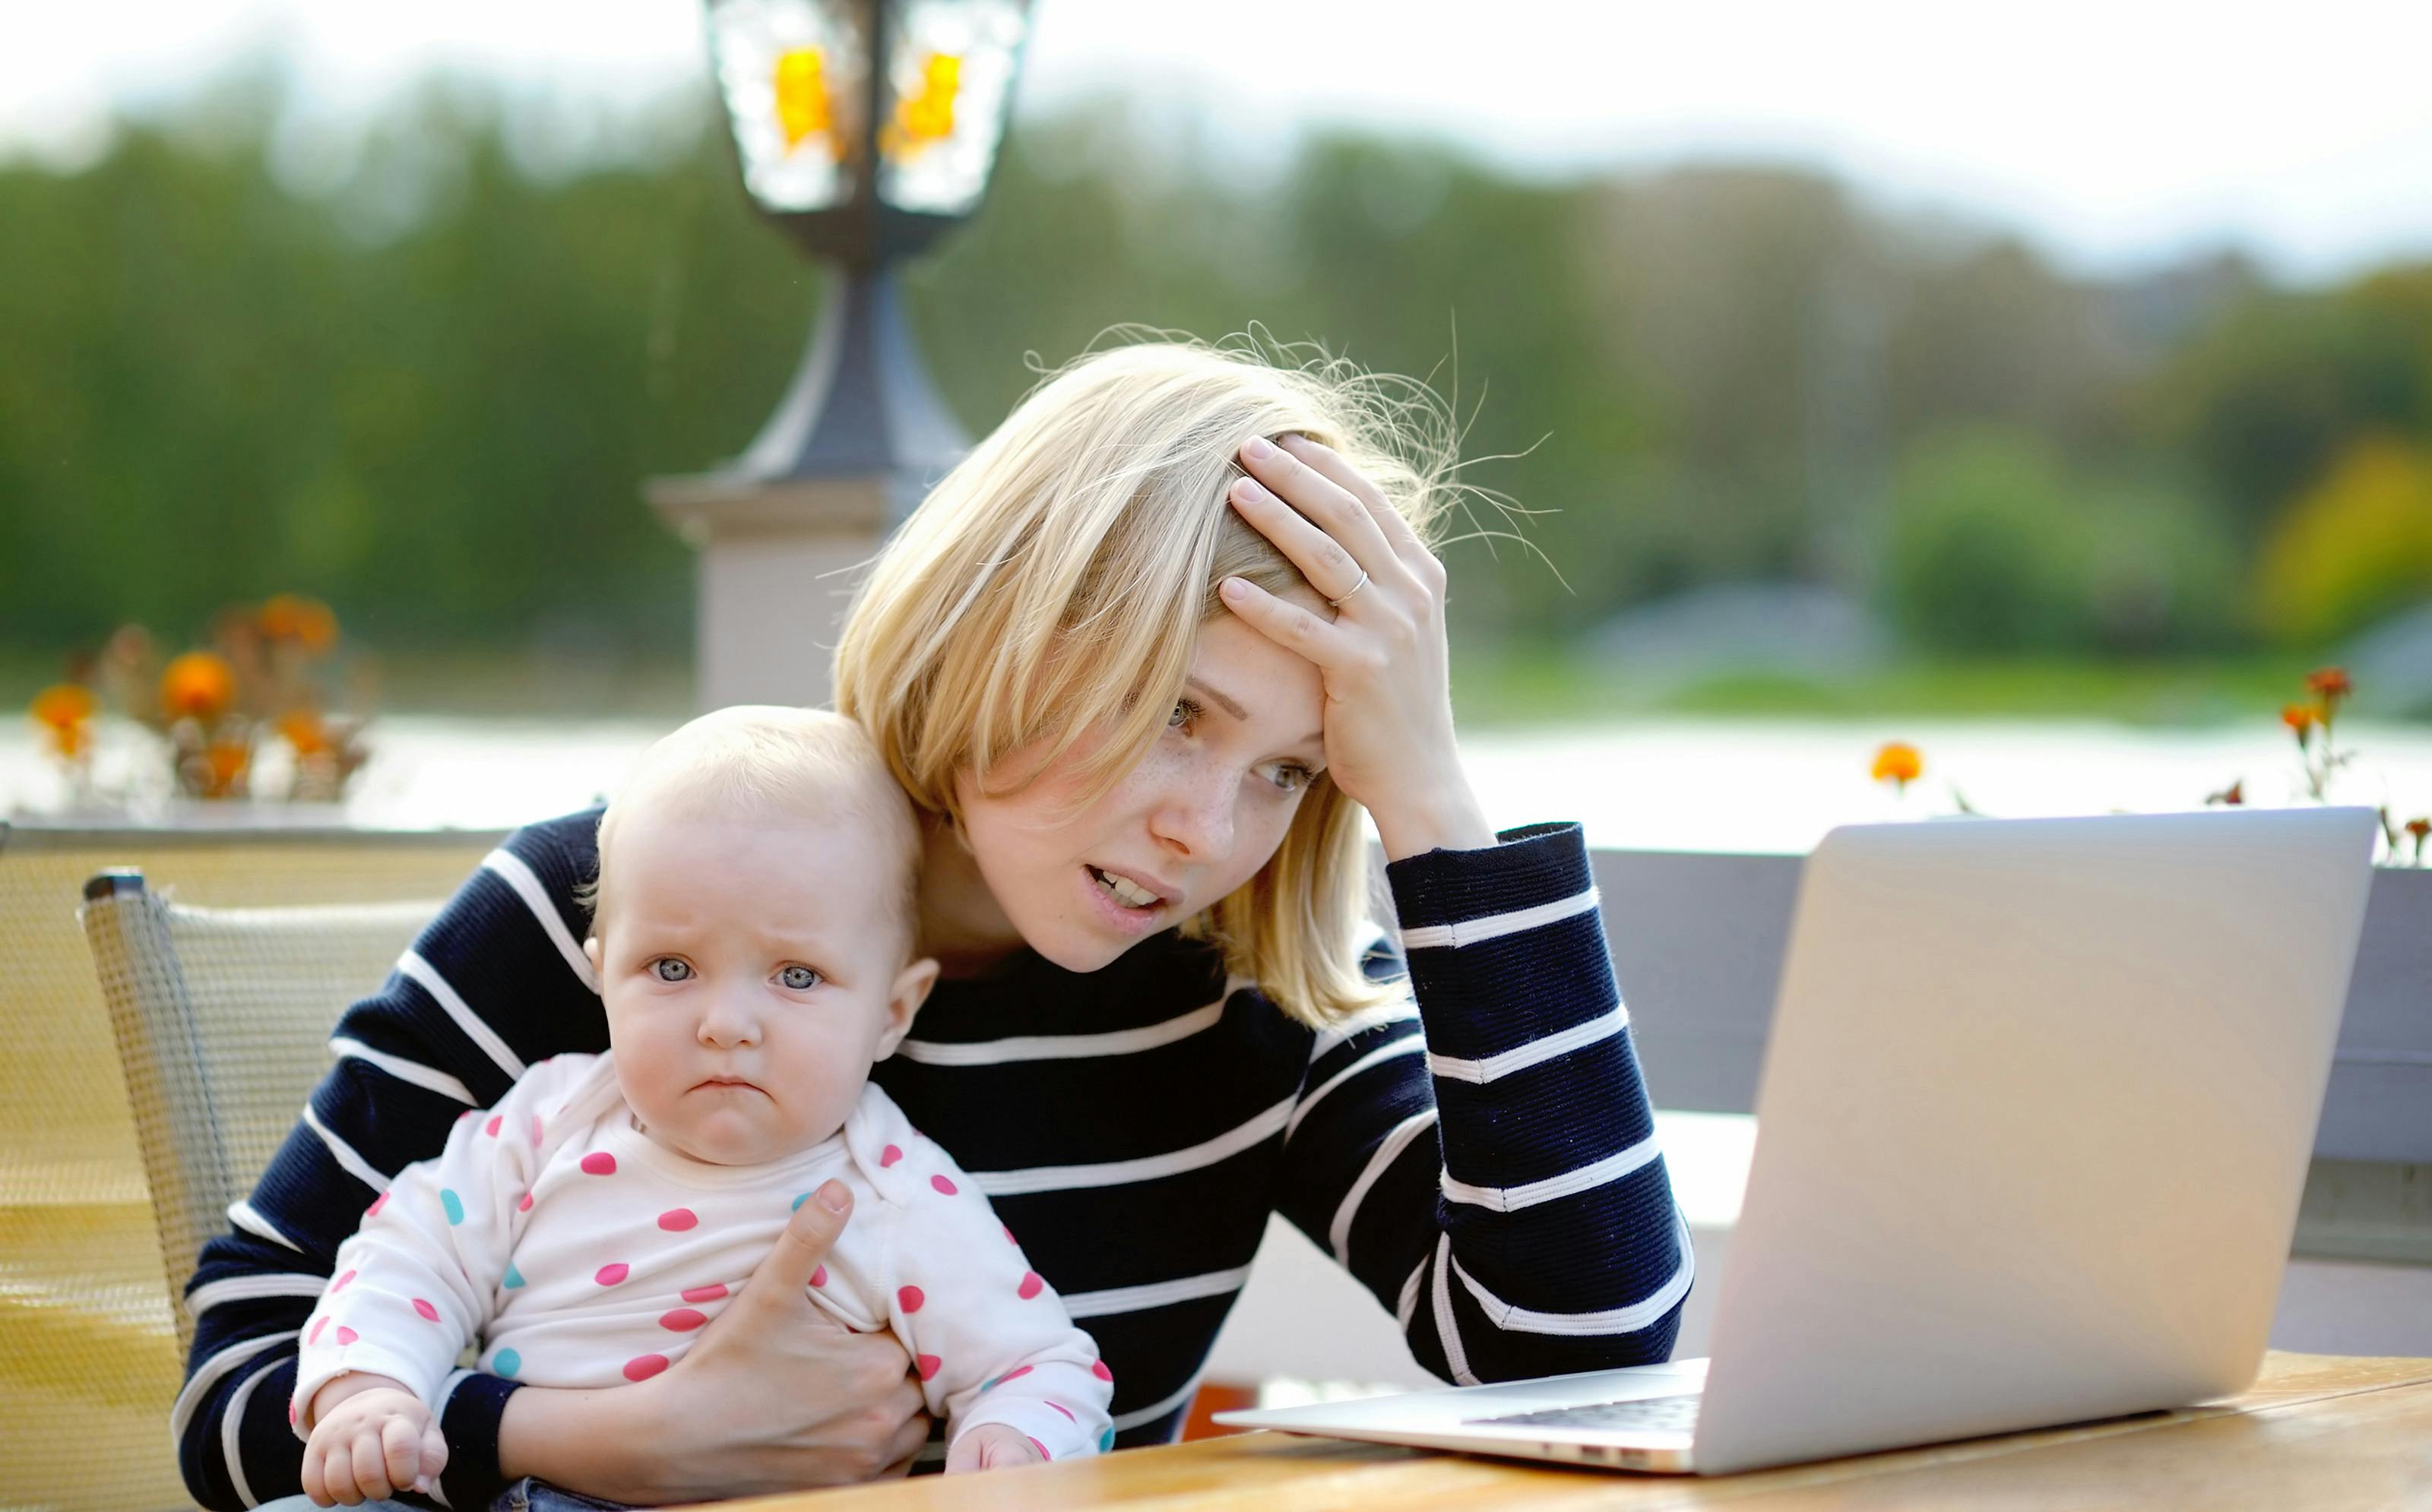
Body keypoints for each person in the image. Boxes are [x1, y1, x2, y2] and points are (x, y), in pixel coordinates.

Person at [175, 336, 1693, 1510]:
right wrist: (621, 1439)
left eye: (1291, 766)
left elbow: (1572, 1359)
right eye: (1176, 712)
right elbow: (230, 1385)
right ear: (1016, 622)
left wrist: (1430, 798)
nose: (1208, 826)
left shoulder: (1249, 975)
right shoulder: (637, 903)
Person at [289, 707, 1112, 1505]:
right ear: (602, 977)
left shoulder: (894, 1190)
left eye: (796, 976)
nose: (724, 1026)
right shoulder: (548, 1121)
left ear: (893, 1012)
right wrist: (372, 1389)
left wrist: (1009, 1449)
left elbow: (1035, 1363)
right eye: (672, 968)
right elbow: (409, 1255)